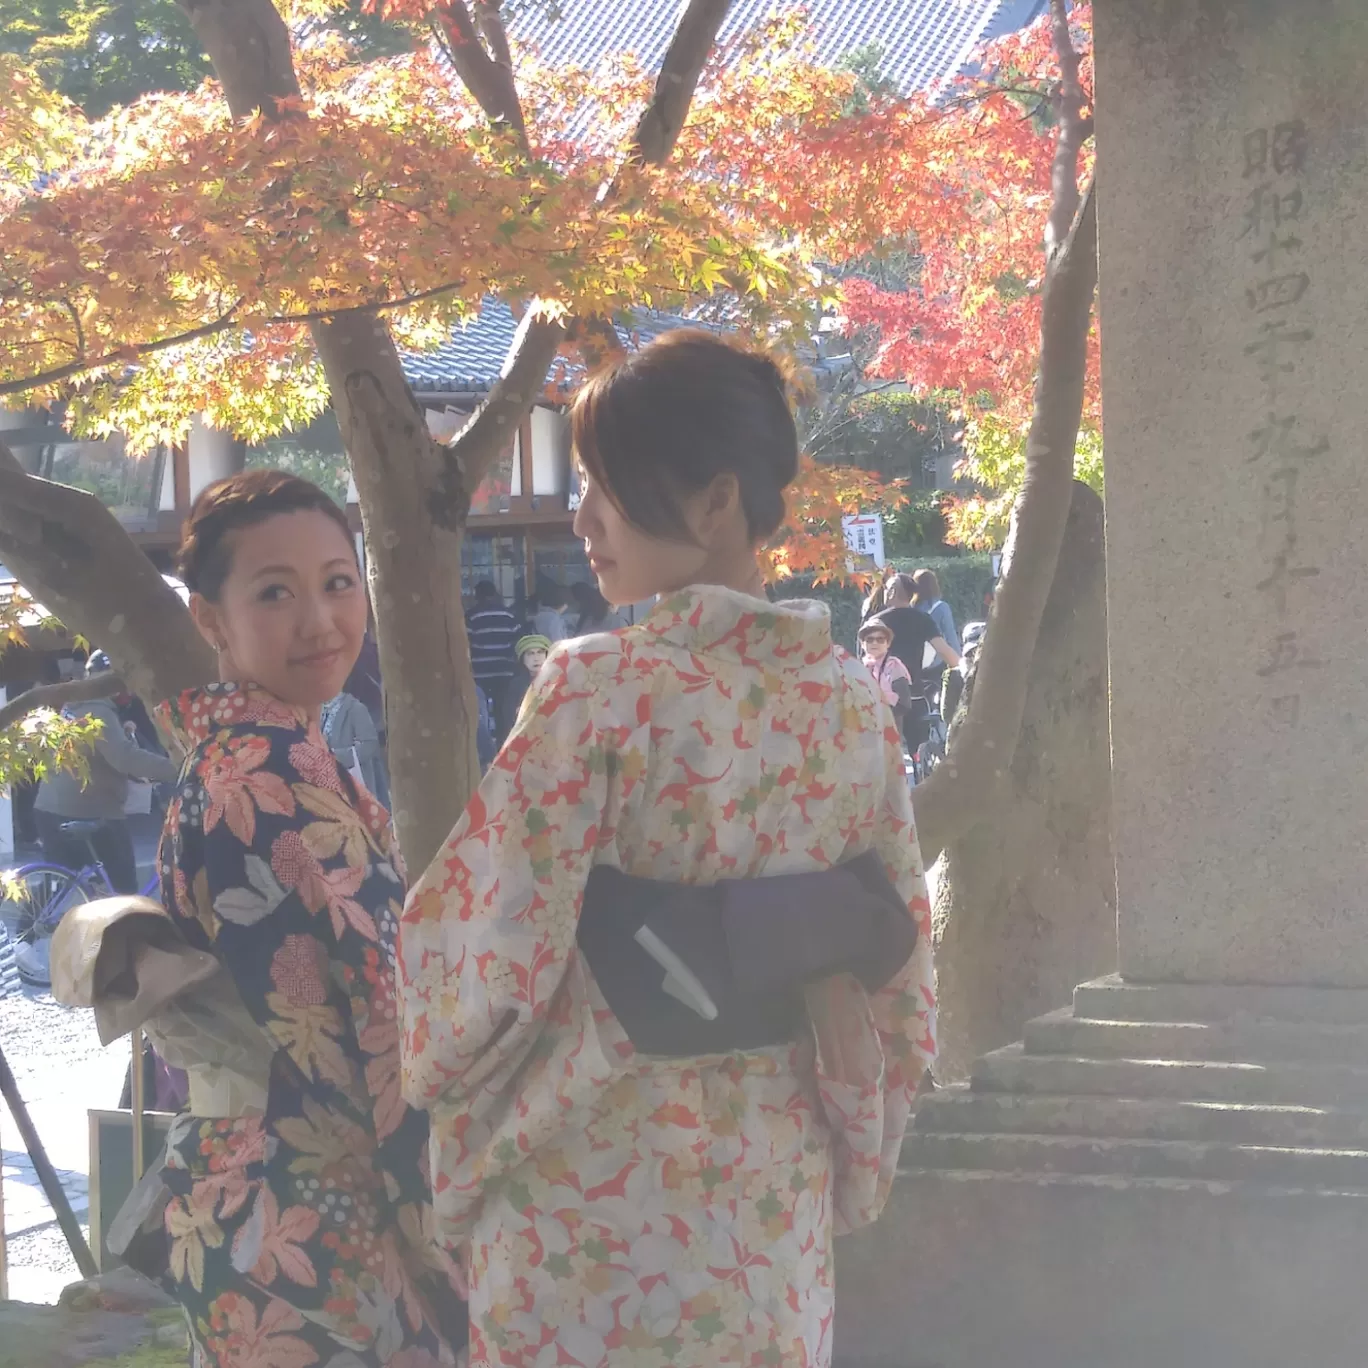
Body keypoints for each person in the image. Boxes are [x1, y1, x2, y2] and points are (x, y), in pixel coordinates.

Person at [398, 330, 935, 1368]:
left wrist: (441, 1104)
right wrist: (859, 1146)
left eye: (607, 486)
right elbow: (902, 962)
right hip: (769, 1191)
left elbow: (487, 949)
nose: (581, 516)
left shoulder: (595, 688)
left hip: (592, 1181)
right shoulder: (851, 704)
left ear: (716, 500)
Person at [135, 471, 462, 1367]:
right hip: (313, 1218)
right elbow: (370, 1026)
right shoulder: (267, 778)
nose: (320, 619)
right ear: (211, 619)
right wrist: (447, 1232)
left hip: (248, 1199)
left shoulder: (263, 752)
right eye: (275, 591)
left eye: (337, 581)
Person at [34, 649, 178, 894]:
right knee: (126, 889)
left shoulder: (74, 705)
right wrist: (179, 768)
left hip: (50, 809)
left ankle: (27, 928)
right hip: (90, 811)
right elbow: (124, 758)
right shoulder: (99, 711)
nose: (129, 691)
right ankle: (129, 926)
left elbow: (101, 750)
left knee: (56, 884)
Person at [466, 580, 520, 739]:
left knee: (480, 712)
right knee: (503, 710)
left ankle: (485, 745)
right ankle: (503, 742)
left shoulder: (471, 616)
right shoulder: (509, 614)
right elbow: (516, 642)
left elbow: (466, 643)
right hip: (504, 671)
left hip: (480, 672)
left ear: (478, 596)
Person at [320, 688, 382, 795]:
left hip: (354, 783)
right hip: (329, 784)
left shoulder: (356, 709)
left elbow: (369, 745)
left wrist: (336, 756)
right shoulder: (320, 710)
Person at [858, 619, 914, 722]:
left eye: (880, 640)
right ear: (862, 644)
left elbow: (904, 704)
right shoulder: (858, 667)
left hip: (889, 729)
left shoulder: (895, 667)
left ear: (888, 644)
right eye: (869, 640)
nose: (875, 643)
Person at [500, 633, 551, 729]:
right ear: (522, 659)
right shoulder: (516, 685)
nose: (536, 658)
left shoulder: (557, 681)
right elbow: (509, 718)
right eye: (530, 654)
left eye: (540, 652)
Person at [910, 568, 961, 656]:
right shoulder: (941, 607)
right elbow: (950, 635)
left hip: (914, 658)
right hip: (937, 660)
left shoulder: (910, 608)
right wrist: (959, 658)